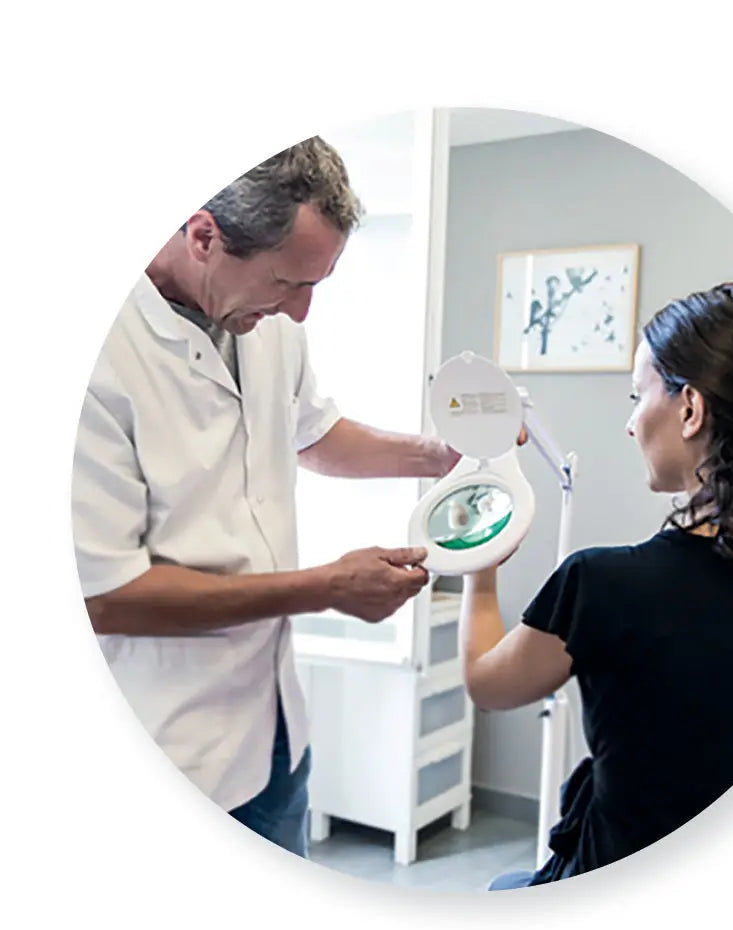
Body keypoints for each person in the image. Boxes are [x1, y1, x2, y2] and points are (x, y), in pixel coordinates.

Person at [71, 136, 463, 857]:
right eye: (287, 282)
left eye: (317, 284)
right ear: (203, 236)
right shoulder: (97, 361)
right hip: (171, 746)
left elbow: (311, 434)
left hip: (276, 729)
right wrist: (326, 587)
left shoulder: (266, 322)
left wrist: (440, 457)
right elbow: (106, 598)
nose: (301, 312)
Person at [457, 283, 733, 888]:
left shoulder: (604, 585)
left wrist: (479, 558)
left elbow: (487, 682)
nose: (630, 424)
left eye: (637, 395)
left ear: (690, 409)